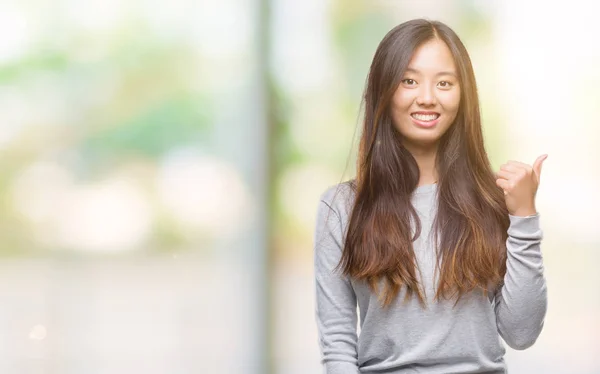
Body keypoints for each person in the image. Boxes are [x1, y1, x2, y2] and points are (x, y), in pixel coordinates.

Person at [313, 19, 548, 374]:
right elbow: (338, 344)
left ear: (463, 95)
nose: (427, 97)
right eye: (409, 81)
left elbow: (522, 333)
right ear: (384, 90)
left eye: (444, 83)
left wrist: (524, 217)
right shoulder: (342, 208)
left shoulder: (493, 199)